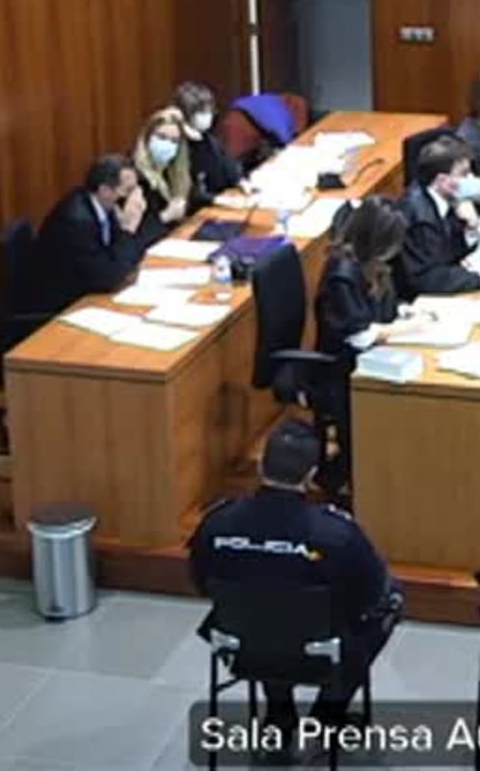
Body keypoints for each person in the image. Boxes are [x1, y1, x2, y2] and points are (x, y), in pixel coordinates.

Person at [189, 419, 402, 732]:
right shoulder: (338, 533)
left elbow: (200, 582)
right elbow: (371, 595)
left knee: (265, 614)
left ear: (260, 467)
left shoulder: (217, 523)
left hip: (244, 648)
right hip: (321, 651)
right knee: (392, 599)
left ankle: (280, 712)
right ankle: (329, 711)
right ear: (312, 475)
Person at [313, 197, 428, 495]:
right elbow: (359, 336)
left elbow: (381, 309)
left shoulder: (373, 265)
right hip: (342, 371)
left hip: (373, 358)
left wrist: (404, 313)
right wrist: (407, 327)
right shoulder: (341, 275)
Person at [33, 155, 149, 311]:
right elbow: (109, 278)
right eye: (128, 190)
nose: (135, 198)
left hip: (89, 291)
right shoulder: (77, 222)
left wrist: (128, 230)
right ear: (105, 190)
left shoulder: (105, 205)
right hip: (65, 305)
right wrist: (128, 229)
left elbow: (128, 258)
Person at [395, 135, 480, 298]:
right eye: (464, 174)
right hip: (418, 300)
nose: (471, 180)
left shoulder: (447, 199)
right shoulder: (419, 217)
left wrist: (471, 226)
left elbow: (454, 253)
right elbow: (425, 279)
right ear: (442, 180)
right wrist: (478, 278)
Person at [172, 81, 248, 205]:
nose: (208, 116)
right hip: (196, 209)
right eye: (201, 111)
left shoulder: (208, 139)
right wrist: (216, 199)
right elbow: (188, 190)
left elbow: (228, 166)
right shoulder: (177, 145)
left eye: (210, 111)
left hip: (221, 201)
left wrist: (241, 181)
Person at [132, 107, 195, 234]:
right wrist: (166, 216)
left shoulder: (171, 171)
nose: (167, 144)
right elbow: (135, 233)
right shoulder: (135, 175)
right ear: (147, 138)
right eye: (161, 137)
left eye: (174, 141)